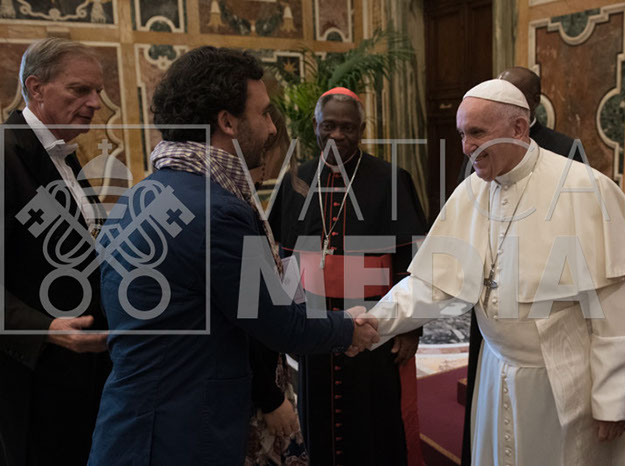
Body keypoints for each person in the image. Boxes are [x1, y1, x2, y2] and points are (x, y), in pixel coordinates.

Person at [87, 47, 379, 466]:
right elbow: (279, 324)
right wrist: (348, 327)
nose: (272, 128)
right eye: (263, 114)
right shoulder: (219, 211)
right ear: (227, 122)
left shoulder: (139, 195)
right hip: (181, 436)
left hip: (130, 426)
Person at [365, 79, 625, 465]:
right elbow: (432, 283)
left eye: (476, 133)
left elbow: (619, 305)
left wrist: (616, 399)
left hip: (566, 382)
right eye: (462, 134)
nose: (466, 146)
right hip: (496, 370)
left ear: (519, 128)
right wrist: (374, 321)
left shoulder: (585, 189)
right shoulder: (472, 192)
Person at [269, 87, 427, 465]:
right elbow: (283, 256)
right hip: (315, 322)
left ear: (362, 130)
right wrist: (286, 323)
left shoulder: (391, 179)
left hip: (374, 320)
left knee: (374, 420)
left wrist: (410, 328)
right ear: (315, 126)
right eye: (329, 126)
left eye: (348, 127)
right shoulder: (295, 180)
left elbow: (414, 259)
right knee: (318, 416)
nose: (337, 135)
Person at [1, 37, 110, 466]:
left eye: (97, 91)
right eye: (80, 90)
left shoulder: (63, 153)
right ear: (36, 88)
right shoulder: (6, 155)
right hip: (31, 380)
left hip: (80, 375)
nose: (96, 103)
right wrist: (45, 328)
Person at [246, 106, 308, 465]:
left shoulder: (242, 198)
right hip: (253, 390)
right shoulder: (232, 208)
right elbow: (248, 314)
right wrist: (269, 397)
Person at [457, 66, 578, 183]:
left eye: (511, 95)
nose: (466, 148)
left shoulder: (565, 148)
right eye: (462, 134)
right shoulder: (476, 146)